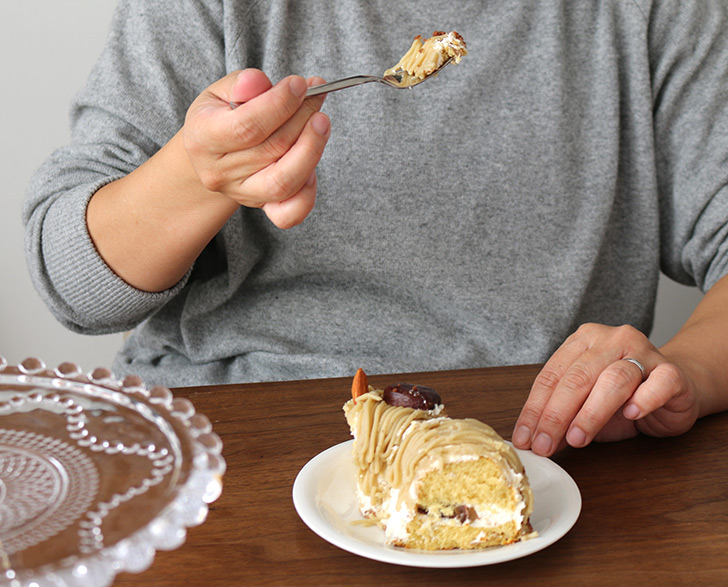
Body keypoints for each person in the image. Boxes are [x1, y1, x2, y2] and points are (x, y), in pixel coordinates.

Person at [23, 0, 728, 457]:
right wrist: (197, 175)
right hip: (228, 448)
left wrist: (688, 368)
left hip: (540, 455)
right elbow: (70, 283)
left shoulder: (651, 15)